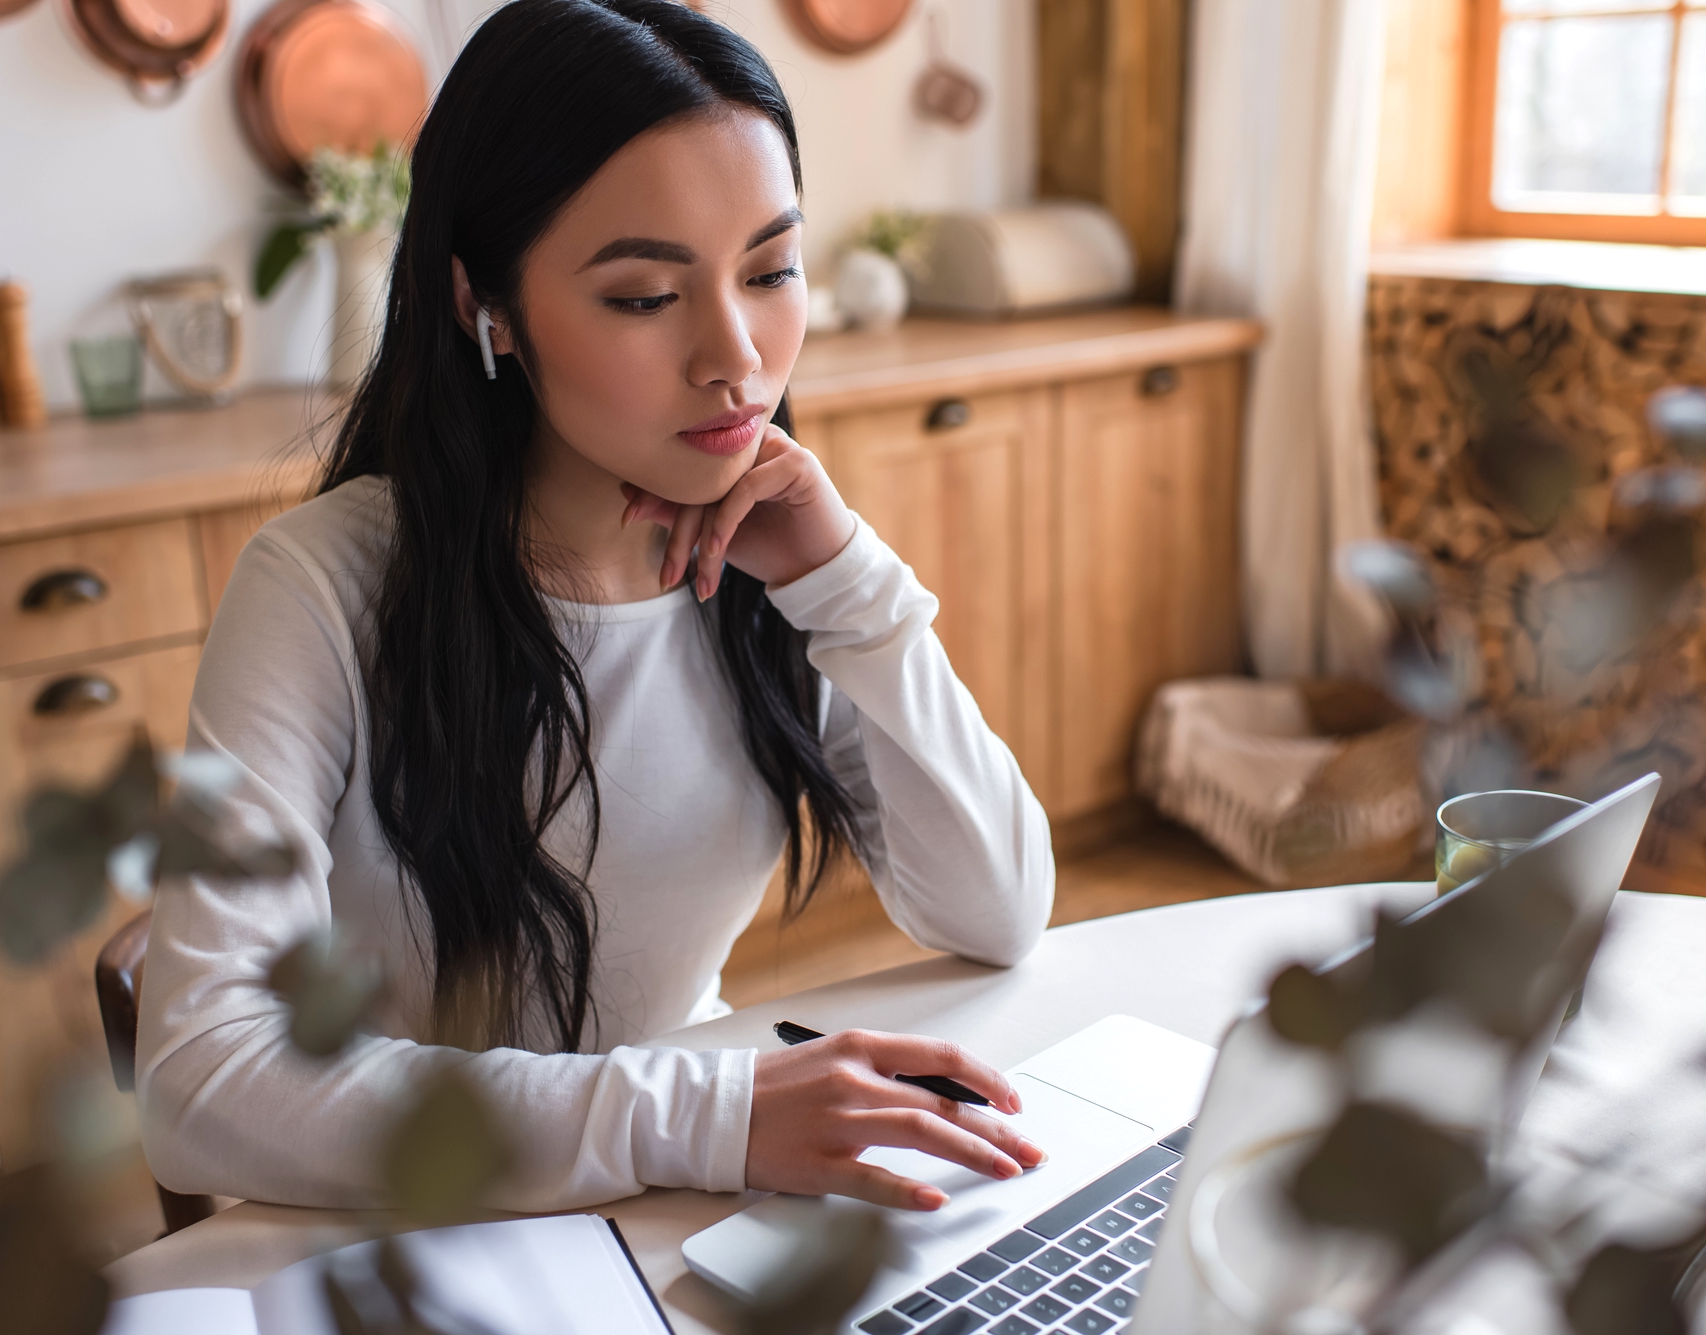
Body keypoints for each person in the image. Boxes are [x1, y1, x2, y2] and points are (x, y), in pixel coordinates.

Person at [138, 0, 1053, 1215]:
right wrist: (697, 1115)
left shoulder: (766, 555)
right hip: (414, 1228)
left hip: (682, 1196)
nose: (737, 359)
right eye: (641, 297)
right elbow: (199, 1084)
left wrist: (851, 584)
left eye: (772, 270)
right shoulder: (320, 585)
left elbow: (994, 911)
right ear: (487, 305)